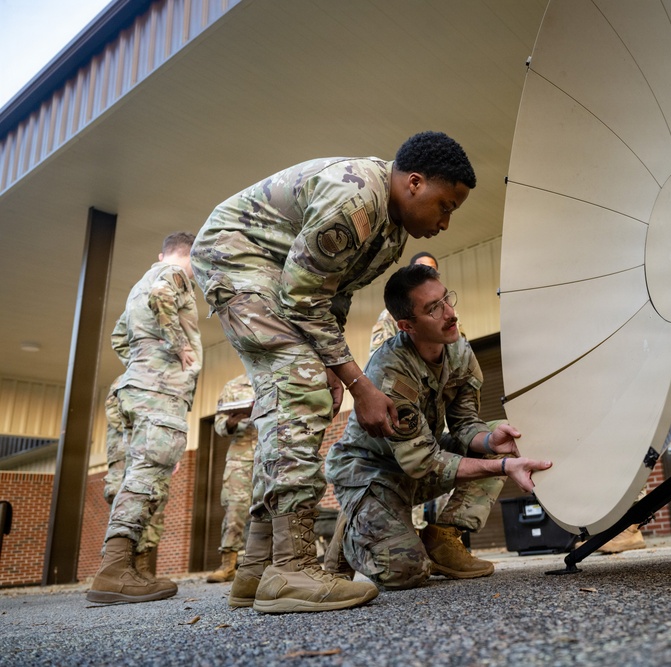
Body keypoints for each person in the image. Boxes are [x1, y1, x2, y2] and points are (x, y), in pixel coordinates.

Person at [190, 130, 476, 614]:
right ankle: (293, 567)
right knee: (299, 384)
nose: (445, 222)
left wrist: (332, 364)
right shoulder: (354, 200)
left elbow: (333, 293)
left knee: (302, 389)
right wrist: (357, 383)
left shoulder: (392, 231)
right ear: (414, 183)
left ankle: (256, 569)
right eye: (445, 206)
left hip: (282, 276)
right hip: (237, 257)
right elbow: (303, 295)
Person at [324, 264, 552, 590]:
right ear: (407, 326)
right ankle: (353, 525)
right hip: (371, 471)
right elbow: (424, 462)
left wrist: (490, 442)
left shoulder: (459, 351)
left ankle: (443, 538)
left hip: (417, 460)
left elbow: (465, 424)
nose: (450, 313)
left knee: (503, 431)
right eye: (434, 308)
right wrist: (503, 467)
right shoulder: (391, 373)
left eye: (446, 299)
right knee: (407, 571)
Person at [87, 232, 202, 604]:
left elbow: (120, 336)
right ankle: (114, 571)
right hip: (159, 391)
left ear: (161, 253)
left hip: (136, 387)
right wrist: (179, 347)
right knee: (147, 474)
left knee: (135, 474)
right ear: (193, 256)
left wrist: (142, 364)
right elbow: (162, 297)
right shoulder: (175, 275)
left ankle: (126, 567)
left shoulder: (140, 283)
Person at [369, 251, 454, 531]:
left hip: (435, 407)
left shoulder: (446, 314)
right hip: (405, 402)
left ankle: (447, 535)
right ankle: (408, 530)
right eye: (421, 268)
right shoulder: (391, 318)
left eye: (433, 270)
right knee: (409, 465)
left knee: (444, 464)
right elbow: (381, 363)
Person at [102, 375, 168, 579]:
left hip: (152, 452)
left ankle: (142, 565)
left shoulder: (162, 381)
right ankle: (116, 565)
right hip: (125, 453)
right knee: (122, 501)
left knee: (154, 499)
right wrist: (146, 432)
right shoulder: (125, 379)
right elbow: (115, 415)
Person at [205, 374, 256, 583]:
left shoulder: (278, 377)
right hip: (240, 456)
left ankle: (269, 562)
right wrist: (230, 423)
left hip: (274, 452)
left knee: (276, 506)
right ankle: (228, 564)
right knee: (236, 507)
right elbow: (219, 424)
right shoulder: (233, 386)